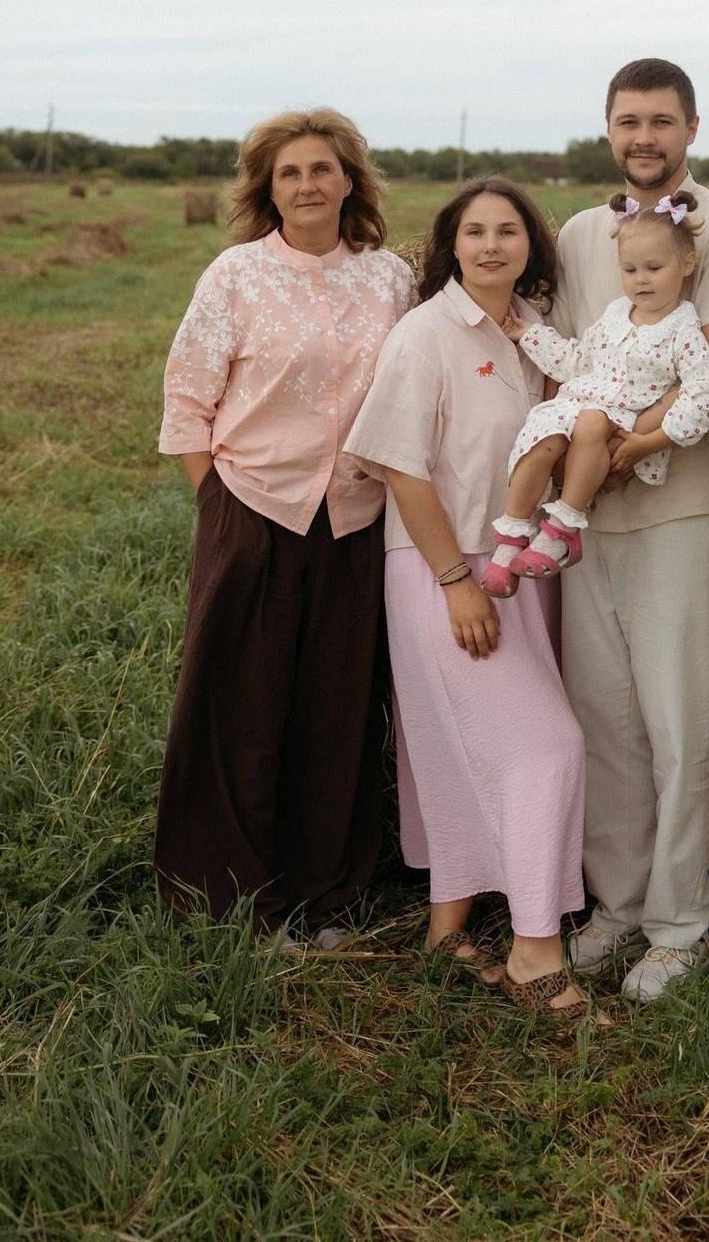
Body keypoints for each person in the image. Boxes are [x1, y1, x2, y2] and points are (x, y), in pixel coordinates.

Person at [155, 108, 416, 952]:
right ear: (269, 189)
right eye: (289, 173)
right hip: (253, 509)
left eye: (322, 169)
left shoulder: (387, 281)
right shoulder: (235, 275)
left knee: (337, 711)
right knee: (239, 708)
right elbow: (186, 403)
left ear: (350, 182)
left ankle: (328, 894)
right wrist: (220, 510)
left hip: (356, 520)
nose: (307, 185)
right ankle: (227, 899)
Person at [344, 178, 595, 1020]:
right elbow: (398, 465)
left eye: (510, 232)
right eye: (476, 232)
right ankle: (535, 952)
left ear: (531, 246)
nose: (492, 246)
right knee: (546, 747)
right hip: (442, 569)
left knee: (458, 747)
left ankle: (447, 930)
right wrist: (455, 583)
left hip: (523, 571)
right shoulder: (426, 334)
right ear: (452, 244)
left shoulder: (539, 337)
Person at [550, 58, 709, 1000]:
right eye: (628, 120)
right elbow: (570, 368)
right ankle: (619, 906)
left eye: (662, 121)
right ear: (608, 127)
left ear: (691, 128)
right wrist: (573, 473)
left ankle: (684, 926)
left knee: (678, 721)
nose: (645, 136)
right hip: (585, 515)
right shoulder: (576, 233)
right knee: (604, 716)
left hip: (675, 507)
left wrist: (610, 458)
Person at [481, 191, 709, 594]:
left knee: (592, 421)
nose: (641, 279)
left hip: (620, 418)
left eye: (654, 267)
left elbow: (708, 387)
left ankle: (564, 528)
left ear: (686, 265)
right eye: (630, 269)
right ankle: (511, 536)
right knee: (541, 434)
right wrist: (530, 334)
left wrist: (654, 440)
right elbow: (578, 361)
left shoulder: (683, 331)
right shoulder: (615, 315)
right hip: (578, 405)